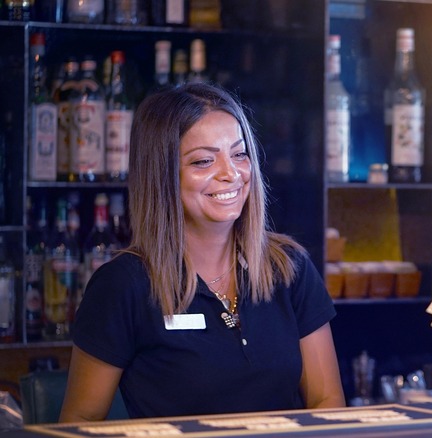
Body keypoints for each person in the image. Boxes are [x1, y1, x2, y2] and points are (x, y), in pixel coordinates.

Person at [60, 82, 345, 421]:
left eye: (239, 154)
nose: (231, 174)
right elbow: (79, 426)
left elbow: (327, 403)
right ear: (162, 175)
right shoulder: (123, 286)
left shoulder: (289, 268)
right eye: (204, 161)